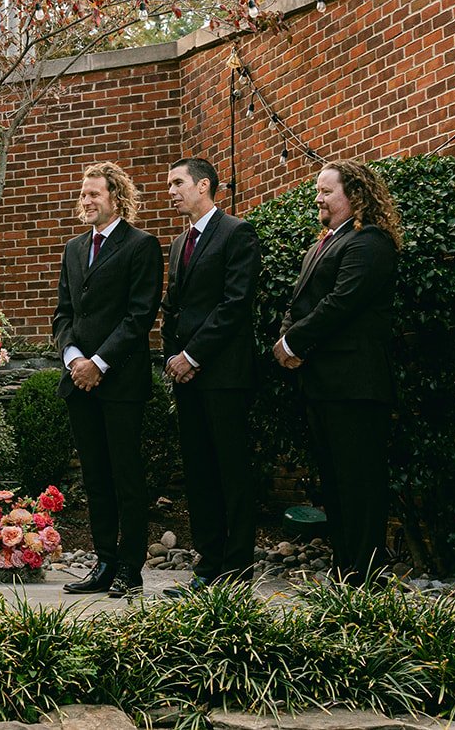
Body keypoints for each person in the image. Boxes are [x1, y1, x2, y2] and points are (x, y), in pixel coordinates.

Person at [273, 160, 401, 583]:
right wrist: (286, 336)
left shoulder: (370, 243)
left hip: (356, 386)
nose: (318, 198)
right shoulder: (320, 245)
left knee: (360, 483)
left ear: (356, 196)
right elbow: (299, 303)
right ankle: (343, 569)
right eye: (318, 190)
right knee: (334, 482)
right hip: (322, 385)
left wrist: (294, 343)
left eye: (327, 191)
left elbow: (340, 304)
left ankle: (366, 572)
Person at [55, 162, 164, 600]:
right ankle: (103, 563)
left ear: (116, 197)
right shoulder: (73, 248)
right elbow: (64, 313)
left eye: (94, 194)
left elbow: (141, 316)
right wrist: (74, 357)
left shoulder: (141, 246)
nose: (86, 200)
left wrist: (99, 363)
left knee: (125, 477)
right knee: (95, 478)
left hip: (120, 382)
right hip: (78, 380)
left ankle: (130, 570)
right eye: (83, 194)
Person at [159, 157, 261, 596]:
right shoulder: (181, 240)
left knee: (231, 473)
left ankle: (236, 570)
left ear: (204, 186)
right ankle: (208, 566)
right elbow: (173, 308)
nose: (171, 190)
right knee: (199, 473)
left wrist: (193, 354)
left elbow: (235, 305)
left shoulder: (237, 233)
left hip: (224, 375)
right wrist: (172, 357)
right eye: (170, 184)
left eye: (178, 183)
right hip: (188, 377)